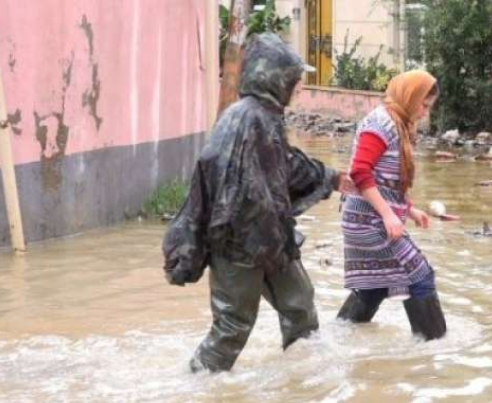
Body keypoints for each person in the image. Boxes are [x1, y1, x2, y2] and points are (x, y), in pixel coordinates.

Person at [162, 33, 354, 373]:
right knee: (232, 327)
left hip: (270, 241)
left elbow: (285, 166)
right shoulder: (248, 118)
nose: (299, 87)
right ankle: (195, 390)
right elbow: (229, 184)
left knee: (300, 307)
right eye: (295, 80)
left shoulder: (264, 116)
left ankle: (299, 382)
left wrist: (331, 178)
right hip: (238, 245)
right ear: (276, 78)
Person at [336, 70, 447, 341]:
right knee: (419, 276)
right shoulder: (381, 124)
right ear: (409, 97)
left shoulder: (396, 123)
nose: (424, 112)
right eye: (423, 105)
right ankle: (433, 347)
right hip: (368, 222)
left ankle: (335, 338)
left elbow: (386, 181)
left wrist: (409, 209)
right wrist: (389, 216)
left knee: (375, 285)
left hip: (367, 219)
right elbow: (360, 172)